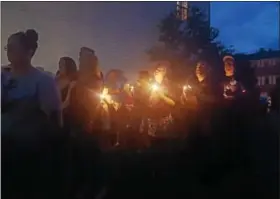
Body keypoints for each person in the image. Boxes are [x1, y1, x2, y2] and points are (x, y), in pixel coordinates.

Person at [1, 29, 62, 199]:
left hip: (29, 153)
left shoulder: (43, 81)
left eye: (13, 47)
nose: (9, 52)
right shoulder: (2, 78)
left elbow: (54, 118)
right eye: (8, 48)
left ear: (29, 52)